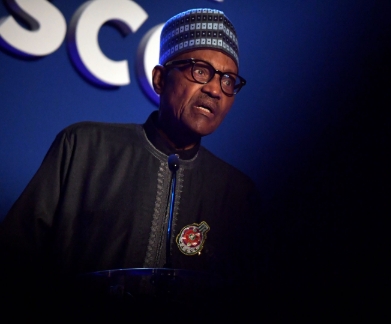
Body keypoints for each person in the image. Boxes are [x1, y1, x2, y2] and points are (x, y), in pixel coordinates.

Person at [0, 8, 260, 286]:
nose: (215, 89)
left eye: (228, 80)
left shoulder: (237, 194)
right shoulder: (83, 148)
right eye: (200, 71)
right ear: (160, 79)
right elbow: (14, 264)